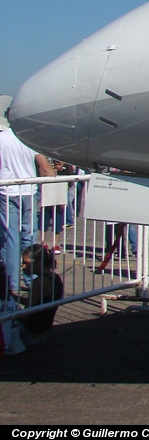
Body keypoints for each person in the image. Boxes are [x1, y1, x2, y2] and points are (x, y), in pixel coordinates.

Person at [0, 125, 55, 295]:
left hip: (7, 190)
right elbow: (46, 169)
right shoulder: (29, 137)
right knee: (29, 236)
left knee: (11, 239)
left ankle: (12, 284)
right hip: (29, 191)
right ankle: (32, 279)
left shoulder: (2, 139)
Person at [18, 244, 64, 346]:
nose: (23, 267)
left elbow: (26, 315)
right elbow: (35, 302)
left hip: (31, 334)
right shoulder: (55, 277)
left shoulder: (38, 282)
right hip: (45, 331)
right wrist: (14, 297)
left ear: (38, 262)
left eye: (26, 263)